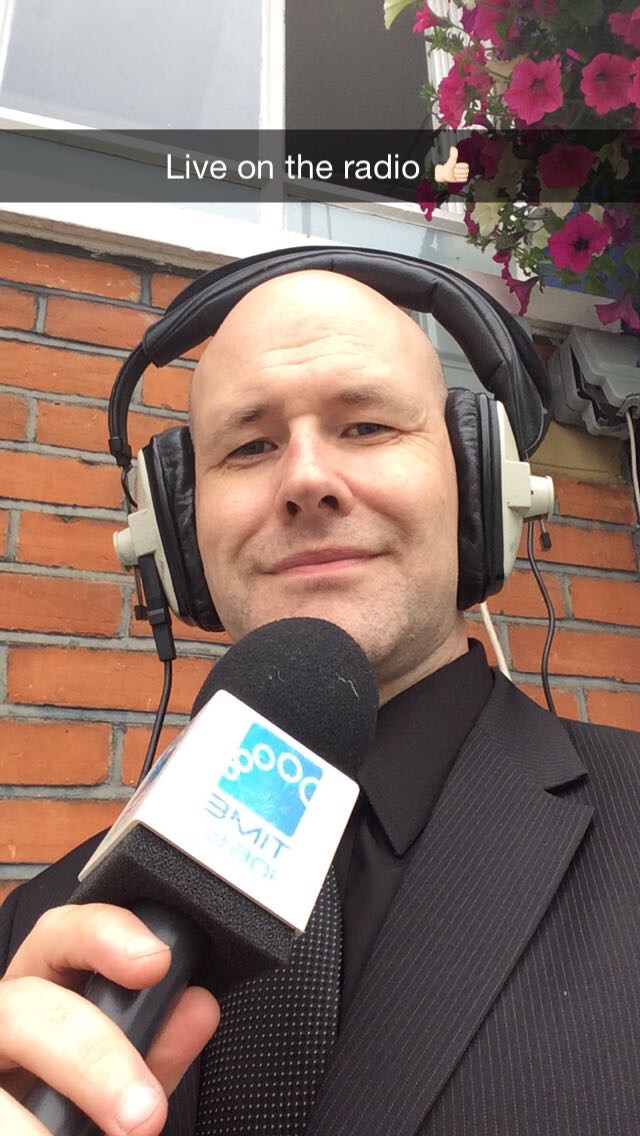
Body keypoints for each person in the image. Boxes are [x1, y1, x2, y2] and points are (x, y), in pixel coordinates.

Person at [1, 268, 640, 1136]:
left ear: (478, 484)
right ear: (178, 537)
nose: (306, 480)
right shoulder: (38, 937)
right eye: (250, 446)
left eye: (367, 426)